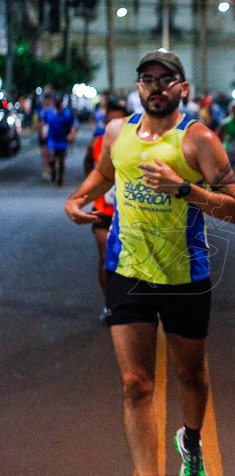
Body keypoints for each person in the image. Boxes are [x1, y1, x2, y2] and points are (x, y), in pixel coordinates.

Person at [63, 49, 235, 476]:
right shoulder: (117, 132)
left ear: (183, 87)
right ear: (138, 87)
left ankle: (191, 438)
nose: (157, 87)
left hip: (186, 275)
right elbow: (107, 171)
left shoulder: (198, 140)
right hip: (128, 272)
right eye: (148, 79)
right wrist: (79, 197)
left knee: (191, 375)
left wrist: (184, 189)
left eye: (167, 80)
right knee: (135, 383)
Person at [83, 101, 129, 320]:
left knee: (129, 259)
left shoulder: (139, 145)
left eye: (119, 121)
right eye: (110, 120)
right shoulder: (96, 144)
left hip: (132, 214)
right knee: (105, 258)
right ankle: (109, 303)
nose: (114, 125)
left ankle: (134, 301)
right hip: (104, 211)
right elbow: (88, 169)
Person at [44, 95, 78, 186]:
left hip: (63, 140)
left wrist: (71, 134)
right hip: (52, 140)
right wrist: (43, 132)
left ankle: (60, 178)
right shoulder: (50, 112)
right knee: (51, 158)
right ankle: (53, 171)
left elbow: (74, 125)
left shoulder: (67, 113)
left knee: (62, 160)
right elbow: (44, 123)